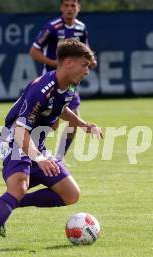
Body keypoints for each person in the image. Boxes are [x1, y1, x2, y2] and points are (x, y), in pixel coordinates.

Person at [0, 39, 103, 253]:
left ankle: (5, 202)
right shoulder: (41, 89)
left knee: (70, 194)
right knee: (18, 186)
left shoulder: (69, 86)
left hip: (36, 143)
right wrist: (39, 157)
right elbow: (18, 130)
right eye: (84, 65)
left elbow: (59, 108)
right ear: (69, 62)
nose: (87, 71)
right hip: (14, 140)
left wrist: (82, 124)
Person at [29, 0, 96, 160]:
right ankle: (24, 142)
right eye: (66, 5)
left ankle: (59, 158)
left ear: (78, 7)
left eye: (73, 5)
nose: (69, 9)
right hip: (52, 82)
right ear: (61, 8)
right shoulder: (52, 27)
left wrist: (91, 60)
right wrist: (55, 63)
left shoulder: (81, 28)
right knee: (53, 123)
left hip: (71, 83)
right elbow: (34, 51)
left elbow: (85, 50)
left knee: (74, 116)